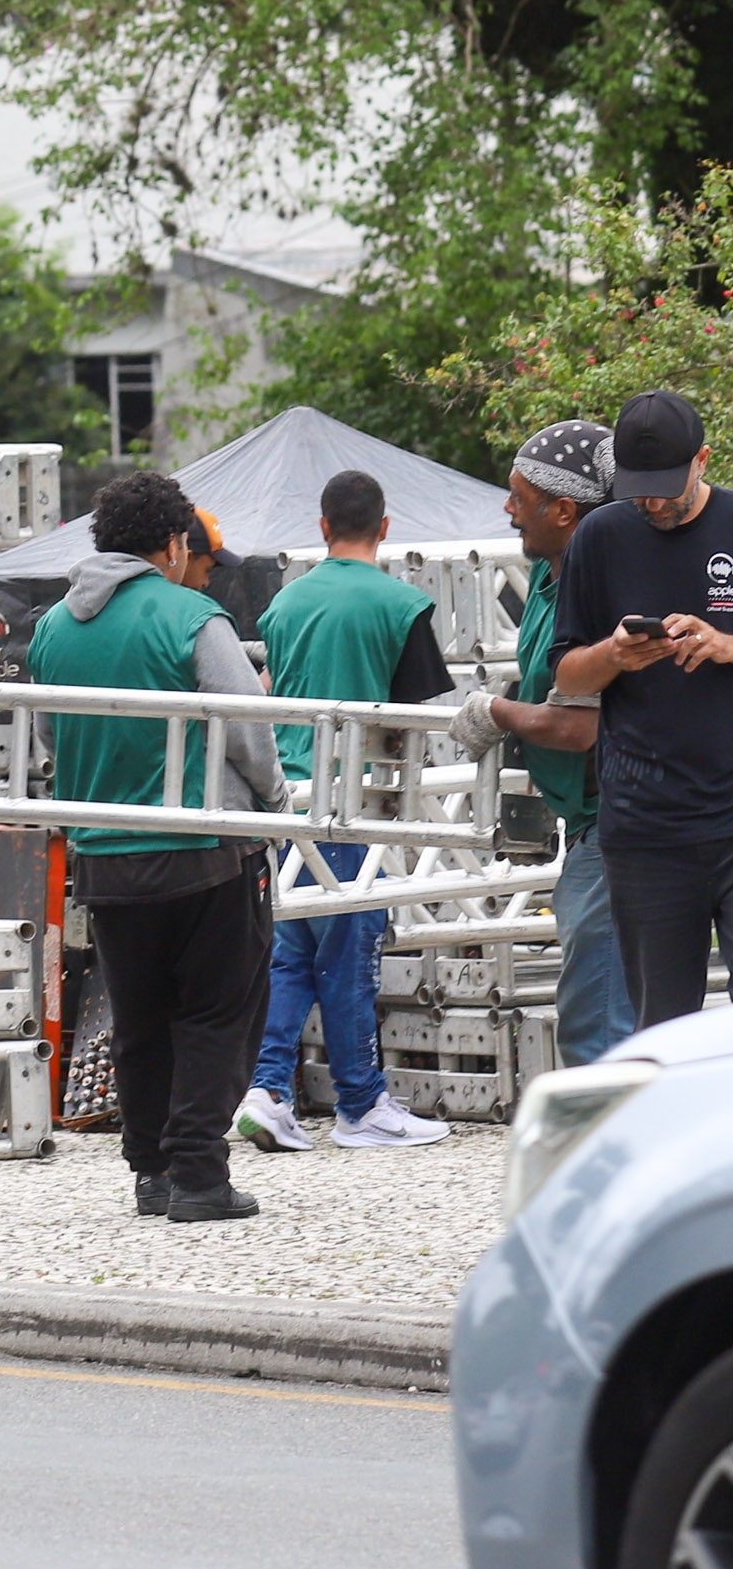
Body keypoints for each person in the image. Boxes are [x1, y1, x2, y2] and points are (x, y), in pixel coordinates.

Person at [28, 470, 287, 1223]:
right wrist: (273, 801)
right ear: (174, 546)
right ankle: (202, 1178)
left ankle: (152, 1174)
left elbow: (52, 733)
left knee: (140, 1018)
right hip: (204, 850)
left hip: (104, 858)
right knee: (215, 1012)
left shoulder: (52, 628)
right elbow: (247, 728)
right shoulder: (193, 617)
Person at [234, 469, 455, 1154]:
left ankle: (268, 1090)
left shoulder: (284, 604)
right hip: (356, 804)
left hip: (288, 798)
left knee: (293, 954)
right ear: (385, 528)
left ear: (322, 527)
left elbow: (272, 690)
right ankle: (361, 1104)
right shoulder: (401, 605)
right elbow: (415, 717)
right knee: (351, 954)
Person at [449, 421, 634, 1065]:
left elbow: (582, 725)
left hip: (620, 826)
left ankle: (606, 1156)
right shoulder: (550, 579)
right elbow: (549, 692)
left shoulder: (601, 586)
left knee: (600, 1023)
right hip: (587, 820)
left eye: (519, 499)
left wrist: (497, 712)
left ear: (564, 510)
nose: (508, 511)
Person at [550, 390, 733, 1027]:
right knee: (662, 1025)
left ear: (702, 460)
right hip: (646, 827)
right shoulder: (600, 535)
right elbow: (567, 671)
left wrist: (723, 644)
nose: (651, 503)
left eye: (664, 488)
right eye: (637, 489)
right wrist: (614, 656)